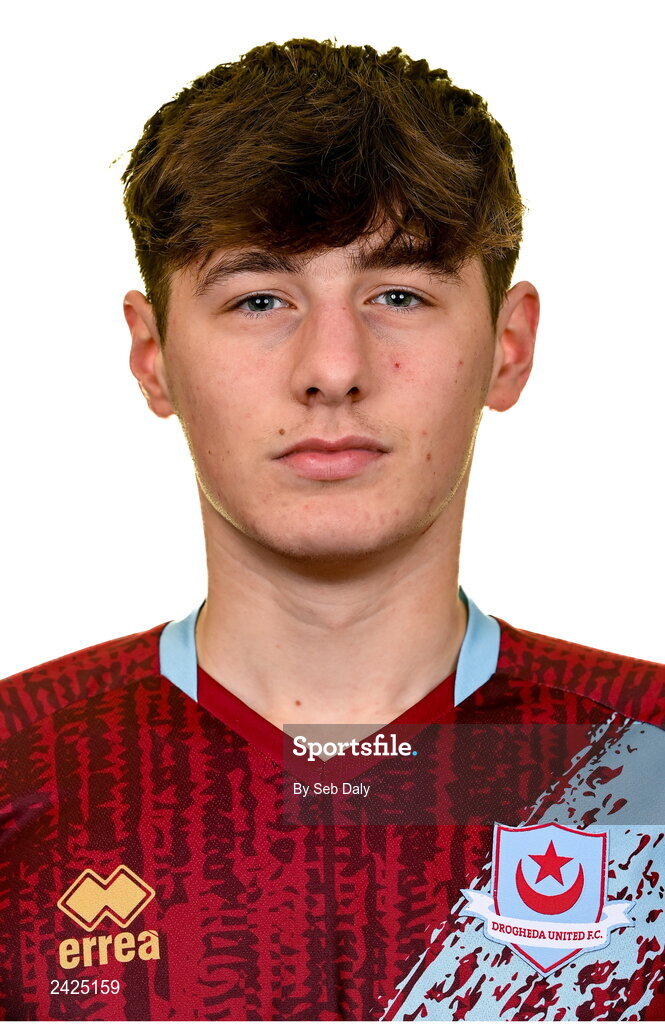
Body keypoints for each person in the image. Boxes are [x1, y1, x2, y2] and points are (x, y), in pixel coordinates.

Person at [1, 38, 663, 1023]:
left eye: (398, 295)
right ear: (152, 355)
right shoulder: (17, 770)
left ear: (507, 346)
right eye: (259, 299)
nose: (332, 368)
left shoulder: (640, 759)